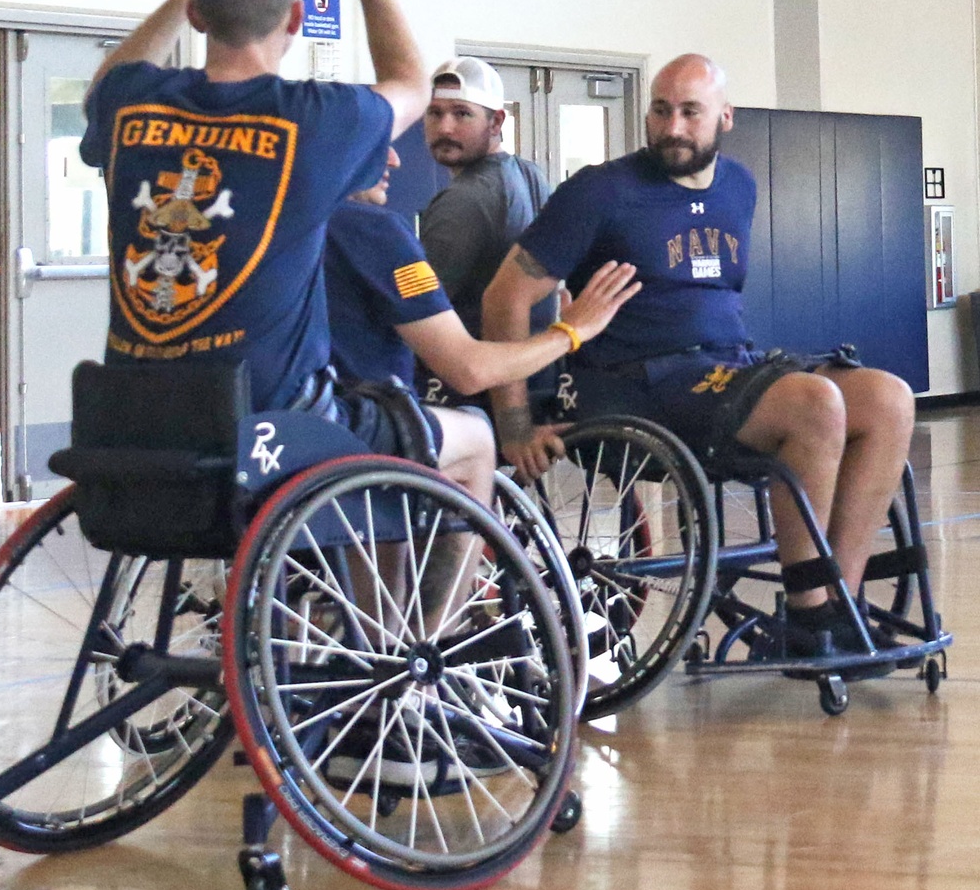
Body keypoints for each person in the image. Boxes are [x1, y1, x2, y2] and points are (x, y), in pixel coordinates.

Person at [482, 52, 916, 658]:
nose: (674, 127)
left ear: (726, 118)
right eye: (661, 110)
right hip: (633, 383)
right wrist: (515, 420)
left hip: (725, 368)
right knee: (813, 405)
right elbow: (506, 297)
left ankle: (836, 598)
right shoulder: (600, 192)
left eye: (690, 111)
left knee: (888, 399)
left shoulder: (738, 185)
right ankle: (807, 614)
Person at [80, 0, 429, 424]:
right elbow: (413, 83)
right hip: (272, 421)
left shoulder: (129, 101)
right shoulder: (316, 119)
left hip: (132, 418)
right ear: (296, 16)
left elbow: (110, 75)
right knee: (474, 438)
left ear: (196, 12)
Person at [325, 142, 640, 510]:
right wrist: (572, 331)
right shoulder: (376, 231)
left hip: (275, 425)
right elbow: (468, 370)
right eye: (374, 143)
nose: (394, 157)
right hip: (349, 428)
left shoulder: (271, 223)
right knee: (475, 434)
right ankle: (458, 572)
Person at [419, 56, 556, 414]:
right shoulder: (527, 174)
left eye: (462, 113)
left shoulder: (464, 200)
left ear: (496, 121)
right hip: (529, 376)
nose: (445, 127)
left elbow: (421, 307)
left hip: (471, 387)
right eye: (435, 113)